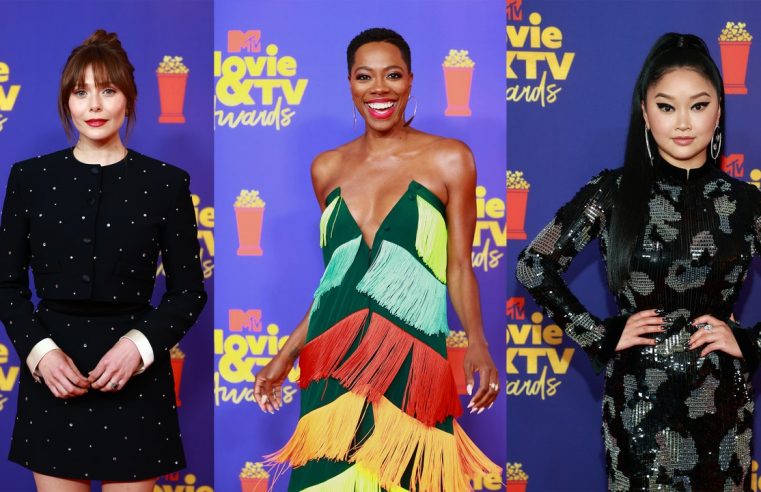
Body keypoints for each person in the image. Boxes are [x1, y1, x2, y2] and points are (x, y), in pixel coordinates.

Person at [254, 28, 501, 491]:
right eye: (365, 76)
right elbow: (335, 283)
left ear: (410, 81)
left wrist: (478, 341)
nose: (379, 89)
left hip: (411, 366)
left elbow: (459, 267)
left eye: (393, 75)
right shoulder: (326, 168)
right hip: (333, 366)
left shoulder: (450, 159)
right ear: (350, 83)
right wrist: (285, 355)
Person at [516, 32, 759, 490]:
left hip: (723, 409)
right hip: (638, 405)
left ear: (719, 111)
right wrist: (599, 334)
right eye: (666, 107)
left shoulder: (746, 203)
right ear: (645, 113)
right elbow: (533, 264)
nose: (682, 122)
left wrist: (751, 341)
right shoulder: (612, 192)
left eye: (698, 105)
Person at [0, 30, 206, 491]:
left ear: (128, 100)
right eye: (81, 92)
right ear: (67, 102)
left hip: (136, 382)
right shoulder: (30, 179)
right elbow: (5, 285)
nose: (94, 105)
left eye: (108, 91)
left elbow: (188, 292)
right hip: (54, 378)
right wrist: (41, 354)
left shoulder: (166, 183)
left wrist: (139, 346)